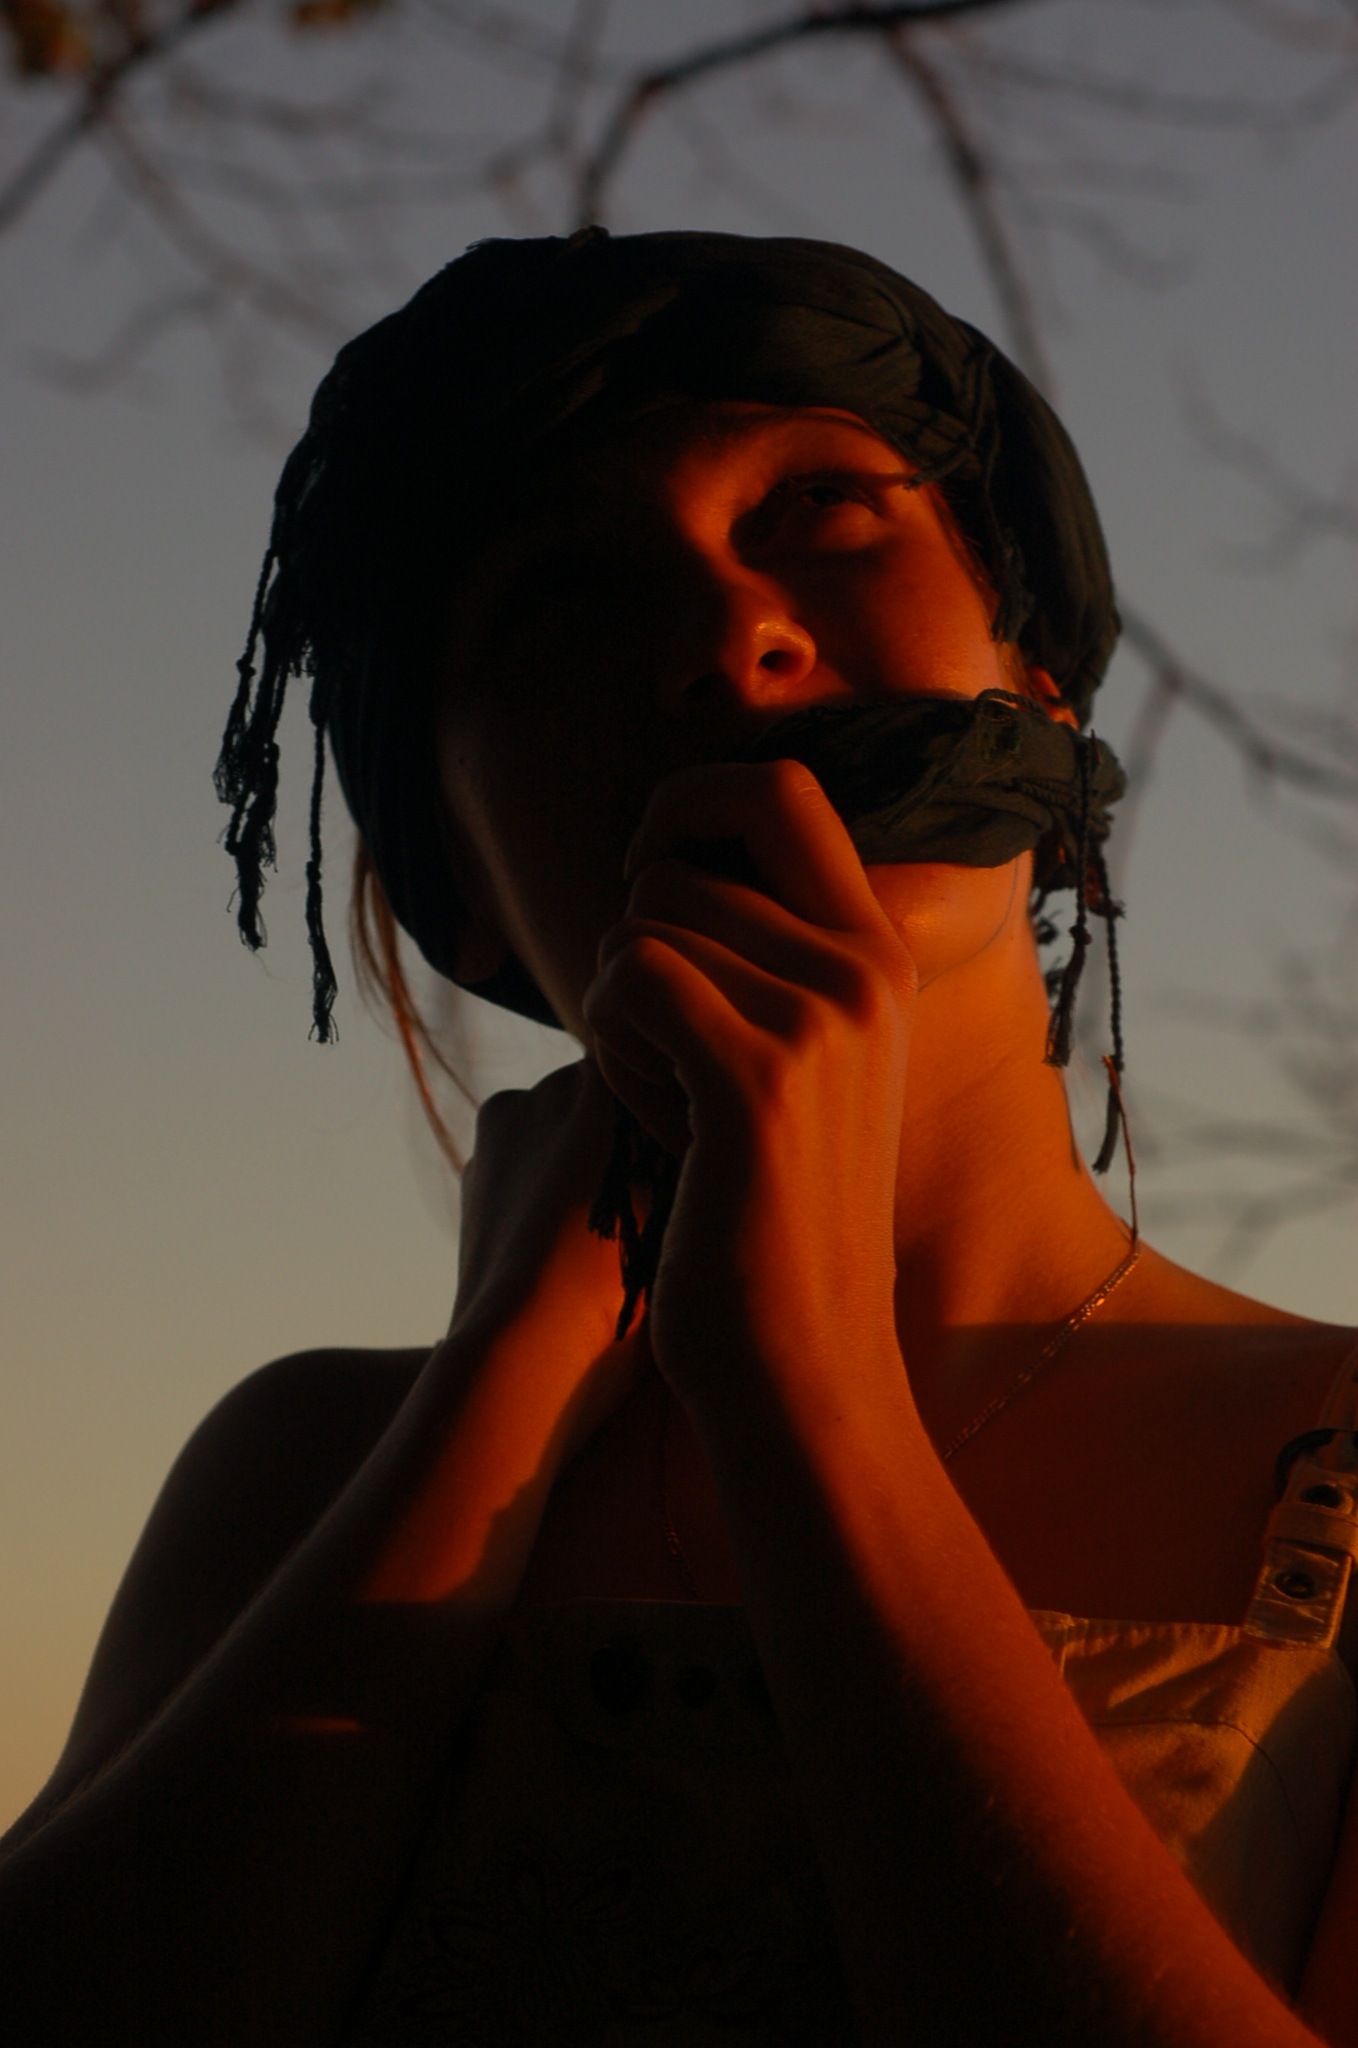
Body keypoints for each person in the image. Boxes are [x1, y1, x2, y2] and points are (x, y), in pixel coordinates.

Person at [1, 227, 1356, 2048]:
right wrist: (498, 1387)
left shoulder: (1332, 1467)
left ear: (1037, 687)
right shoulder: (310, 1466)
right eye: (563, 602)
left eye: (818, 514)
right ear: (457, 890)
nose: (727, 641)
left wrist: (806, 1388)